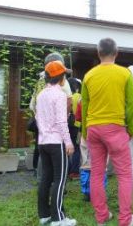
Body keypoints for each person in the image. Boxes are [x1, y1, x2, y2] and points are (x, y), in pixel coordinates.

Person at [81, 38, 133, 226]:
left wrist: (85, 131)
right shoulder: (124, 74)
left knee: (97, 173)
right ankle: (125, 220)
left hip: (93, 129)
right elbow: (132, 105)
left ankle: (102, 217)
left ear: (98, 53)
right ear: (117, 53)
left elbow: (85, 107)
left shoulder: (89, 76)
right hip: (115, 128)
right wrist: (131, 129)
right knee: (125, 175)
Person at [36, 60, 76, 226]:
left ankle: (44, 215)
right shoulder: (59, 94)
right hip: (56, 142)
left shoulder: (41, 94)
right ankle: (58, 218)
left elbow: (38, 118)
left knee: (46, 178)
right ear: (61, 77)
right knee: (60, 179)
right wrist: (68, 142)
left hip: (43, 141)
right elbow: (61, 122)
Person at [30, 52, 73, 181]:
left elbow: (32, 104)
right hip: (57, 129)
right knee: (59, 160)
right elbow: (69, 101)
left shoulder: (40, 80)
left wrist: (41, 120)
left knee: (42, 154)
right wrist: (65, 116)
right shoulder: (61, 81)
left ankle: (41, 178)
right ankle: (58, 183)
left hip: (41, 126)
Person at [67, 77, 82, 179]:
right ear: (76, 87)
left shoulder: (66, 96)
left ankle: (66, 169)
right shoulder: (79, 96)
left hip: (67, 124)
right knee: (77, 148)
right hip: (77, 125)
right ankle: (75, 172)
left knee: (67, 147)